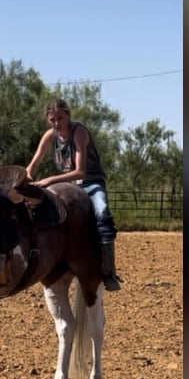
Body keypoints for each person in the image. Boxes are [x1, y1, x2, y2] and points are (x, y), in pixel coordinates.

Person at [26, 99, 122, 291]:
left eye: (60, 118)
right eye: (52, 120)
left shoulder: (79, 132)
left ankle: (108, 270)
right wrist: (26, 177)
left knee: (102, 214)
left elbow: (80, 172)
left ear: (68, 115)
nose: (56, 123)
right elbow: (34, 162)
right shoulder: (49, 136)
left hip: (91, 183)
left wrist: (49, 180)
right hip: (66, 184)